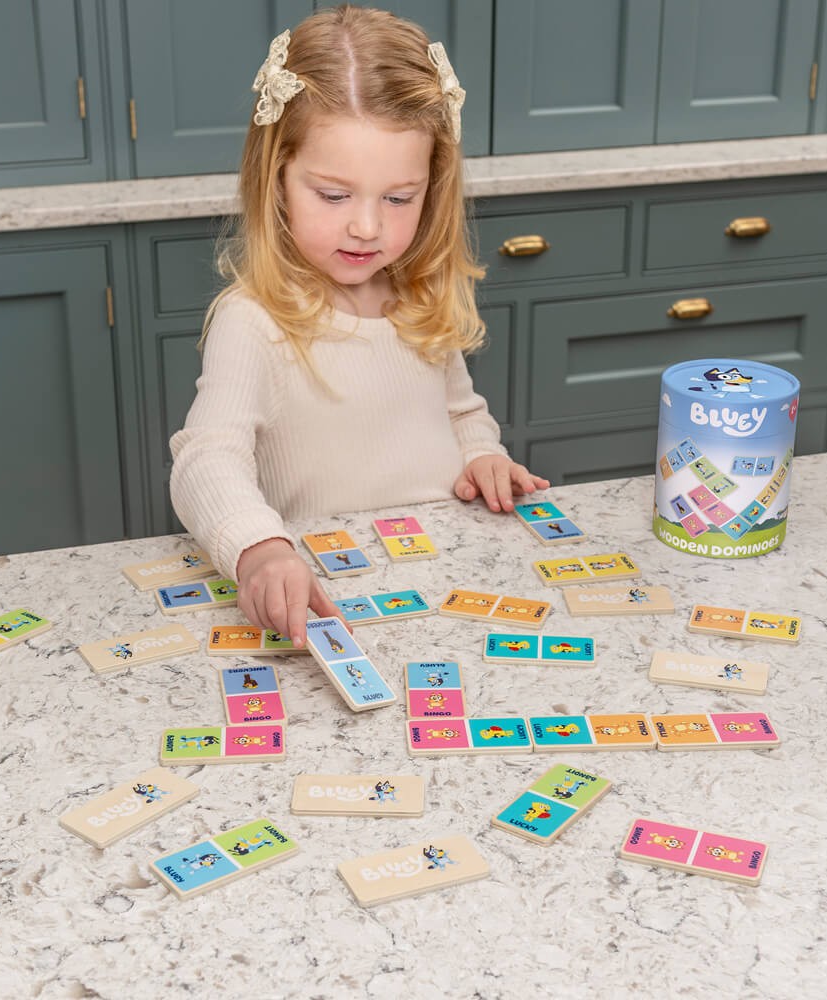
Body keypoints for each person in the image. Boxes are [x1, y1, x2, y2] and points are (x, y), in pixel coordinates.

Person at [169, 5, 548, 647]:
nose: (367, 227)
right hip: (330, 604)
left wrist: (483, 453)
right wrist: (259, 551)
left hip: (441, 597)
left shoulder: (419, 295)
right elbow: (205, 458)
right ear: (277, 180)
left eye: (399, 198)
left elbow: (461, 412)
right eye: (334, 195)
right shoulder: (255, 321)